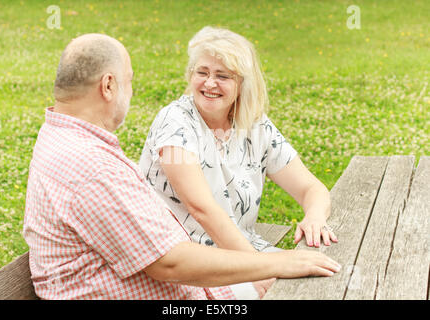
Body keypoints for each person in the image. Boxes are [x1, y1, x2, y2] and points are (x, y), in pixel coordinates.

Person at [23, 33, 341, 300]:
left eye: (224, 75)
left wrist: (285, 248)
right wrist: (271, 265)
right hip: (198, 285)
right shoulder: (92, 164)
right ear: (108, 86)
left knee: (323, 279)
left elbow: (162, 257)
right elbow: (171, 262)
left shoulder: (72, 141)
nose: (210, 83)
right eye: (129, 81)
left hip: (206, 276)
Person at [139, 26, 339, 296]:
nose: (209, 83)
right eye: (202, 73)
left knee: (329, 279)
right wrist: (260, 269)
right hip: (191, 264)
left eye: (222, 76)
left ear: (243, 84)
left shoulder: (254, 124)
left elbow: (311, 189)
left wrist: (314, 217)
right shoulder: (175, 123)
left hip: (243, 253)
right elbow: (202, 209)